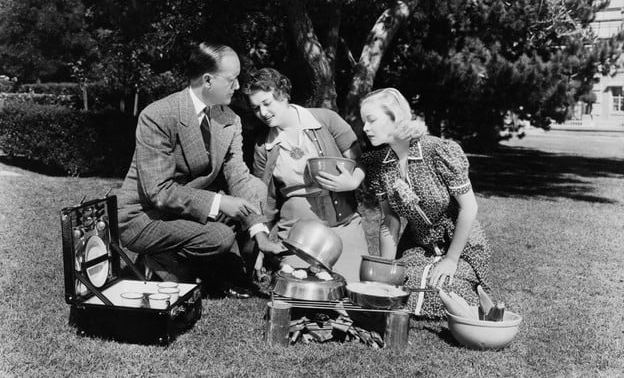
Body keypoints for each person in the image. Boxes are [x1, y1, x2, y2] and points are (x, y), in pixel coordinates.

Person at [117, 43, 284, 298]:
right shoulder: (158, 115)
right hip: (144, 215)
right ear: (208, 80)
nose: (238, 87)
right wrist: (219, 201)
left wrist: (258, 230)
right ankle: (163, 263)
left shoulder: (230, 120)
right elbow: (158, 192)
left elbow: (238, 175)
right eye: (232, 80)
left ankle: (188, 269)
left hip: (186, 210)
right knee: (219, 236)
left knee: (255, 190)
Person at [359, 88, 491, 317]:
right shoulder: (379, 164)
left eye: (371, 120)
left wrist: (451, 260)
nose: (365, 128)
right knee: (404, 289)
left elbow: (469, 208)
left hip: (461, 244)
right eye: (363, 121)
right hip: (418, 245)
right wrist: (385, 272)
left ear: (396, 117)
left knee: (447, 290)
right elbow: (390, 220)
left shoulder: (437, 151)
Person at [242, 68, 370, 282]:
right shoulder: (264, 146)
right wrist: (259, 247)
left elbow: (361, 160)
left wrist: (353, 181)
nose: (263, 113)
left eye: (267, 103)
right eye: (256, 108)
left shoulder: (326, 119)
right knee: (301, 290)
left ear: (283, 95)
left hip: (343, 224)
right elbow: (263, 200)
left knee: (352, 291)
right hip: (297, 233)